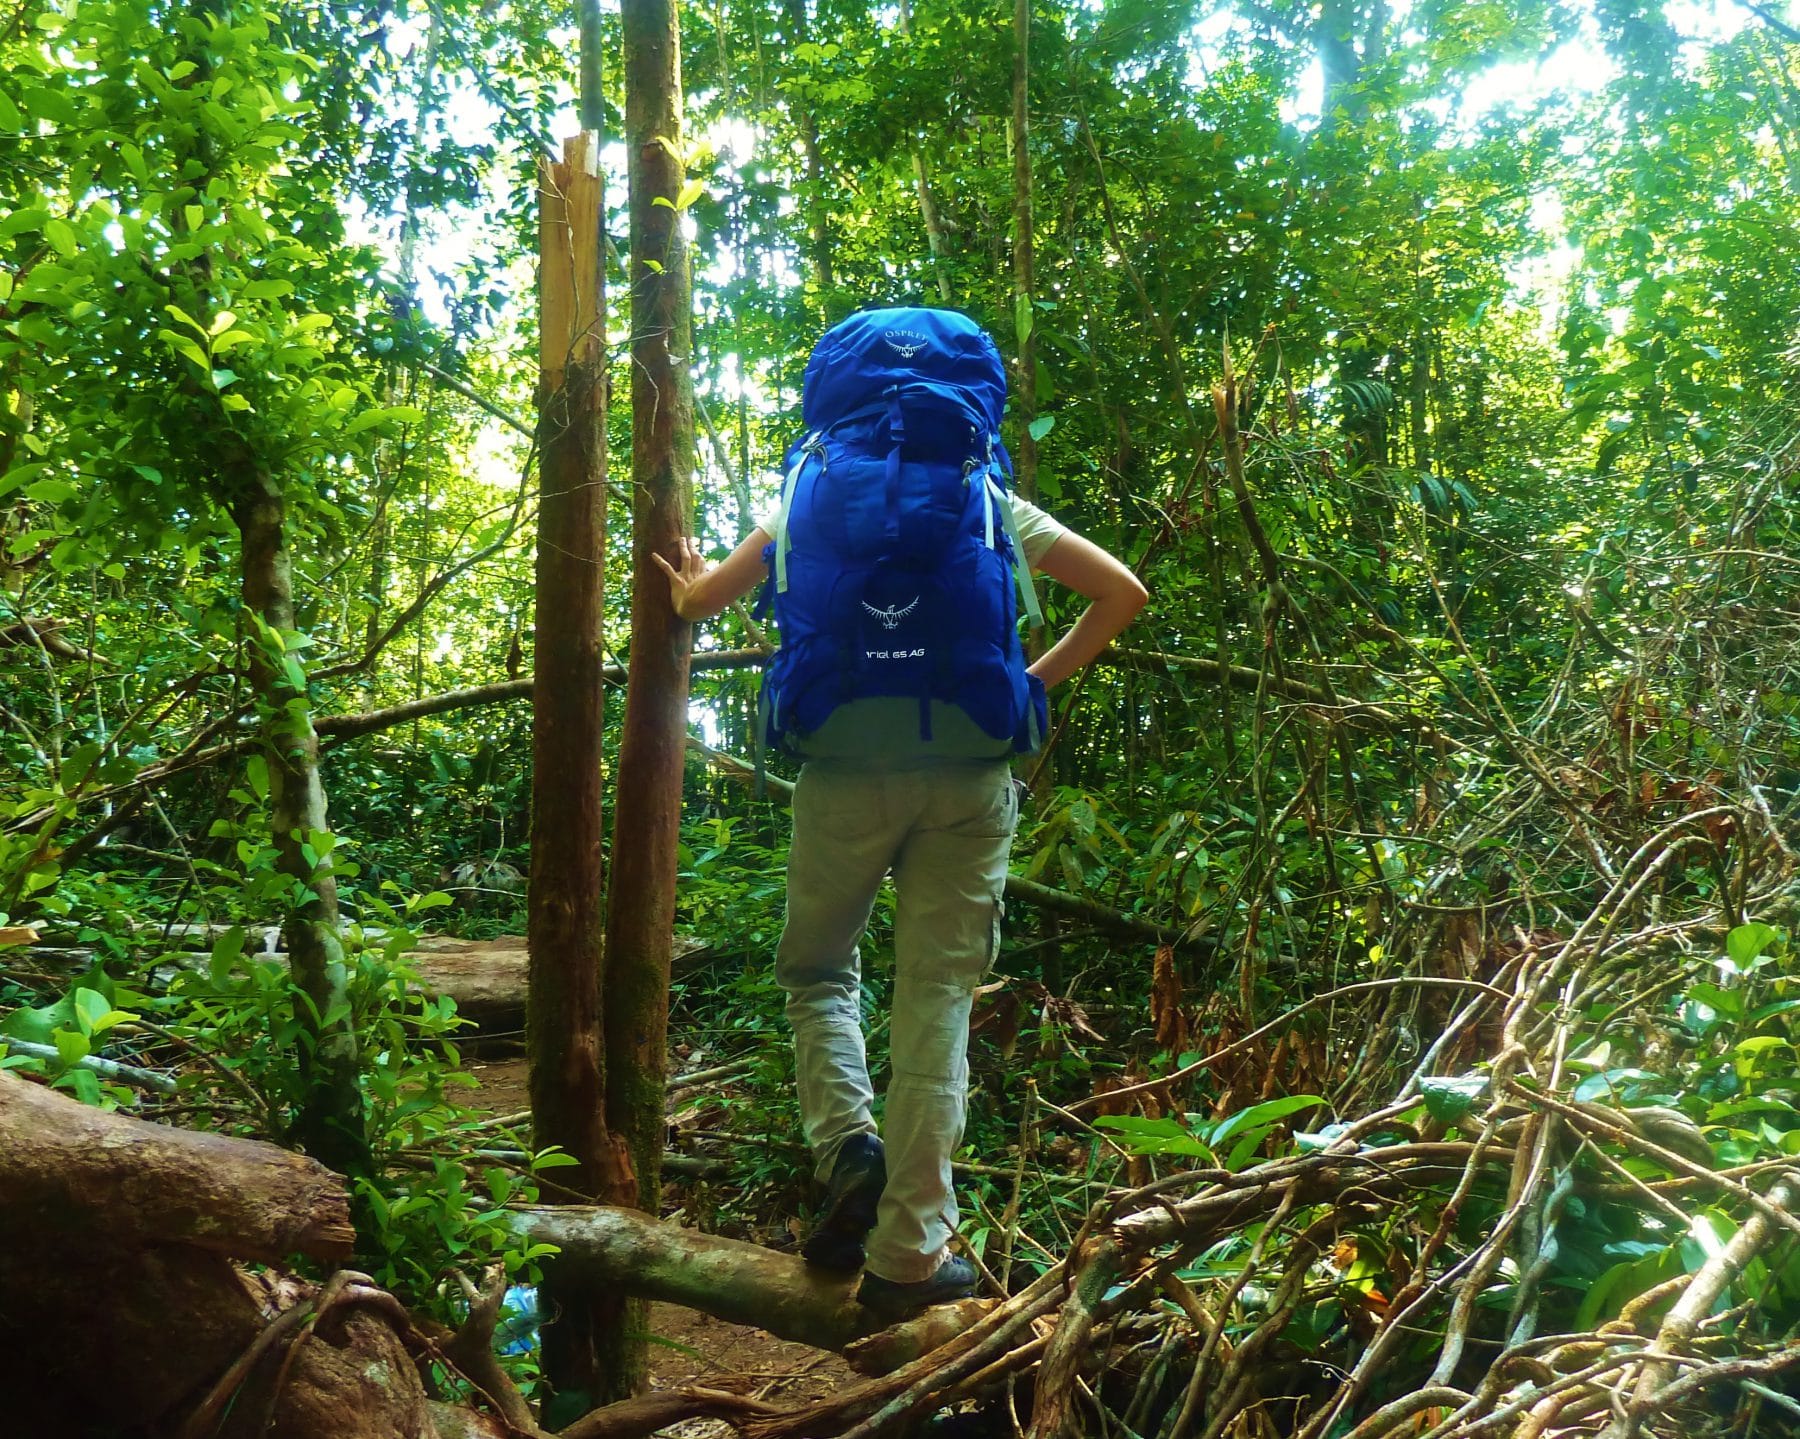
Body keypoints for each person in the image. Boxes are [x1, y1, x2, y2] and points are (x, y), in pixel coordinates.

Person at [656, 460, 1145, 1318]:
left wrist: (688, 584)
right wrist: (1026, 686)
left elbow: (699, 604)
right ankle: (908, 1257)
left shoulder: (807, 498)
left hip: (842, 773)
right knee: (937, 1000)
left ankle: (849, 1149)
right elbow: (1123, 593)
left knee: (816, 972)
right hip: (968, 777)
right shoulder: (985, 500)